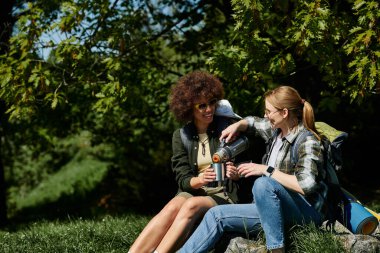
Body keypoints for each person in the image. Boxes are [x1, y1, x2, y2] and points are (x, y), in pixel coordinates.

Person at [180, 85, 327, 253]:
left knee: (263, 184)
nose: (265, 116)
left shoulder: (307, 140)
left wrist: (266, 169)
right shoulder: (276, 131)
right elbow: (253, 123)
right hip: (270, 208)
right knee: (216, 215)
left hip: (305, 212)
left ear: (284, 113)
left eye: (268, 111)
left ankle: (276, 249)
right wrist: (237, 125)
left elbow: (305, 185)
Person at [128, 71, 245, 253]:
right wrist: (200, 179)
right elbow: (182, 178)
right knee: (173, 205)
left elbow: (245, 165)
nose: (209, 109)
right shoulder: (181, 136)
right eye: (202, 106)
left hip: (223, 194)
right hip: (195, 188)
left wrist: (236, 173)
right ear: (189, 108)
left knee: (191, 205)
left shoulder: (226, 130)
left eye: (212, 103)